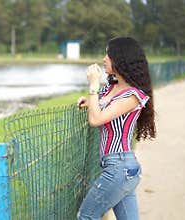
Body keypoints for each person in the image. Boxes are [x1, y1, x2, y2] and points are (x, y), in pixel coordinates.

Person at [76, 36, 156, 220]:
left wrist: (93, 84)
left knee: (86, 216)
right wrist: (87, 101)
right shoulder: (112, 87)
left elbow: (96, 119)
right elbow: (99, 104)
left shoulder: (133, 95)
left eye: (108, 54)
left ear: (120, 59)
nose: (104, 59)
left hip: (119, 168)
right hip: (120, 170)